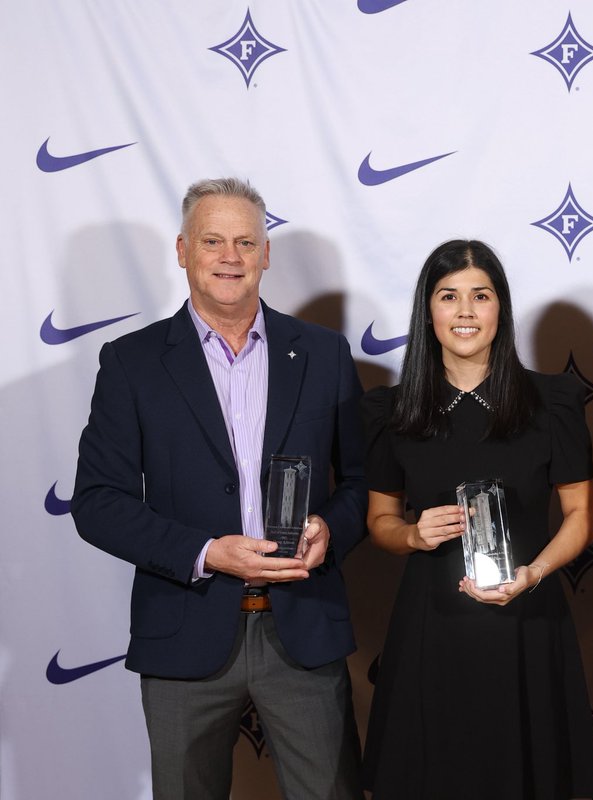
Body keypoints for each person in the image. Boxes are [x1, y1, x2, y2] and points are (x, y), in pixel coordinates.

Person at [71, 178, 367, 799]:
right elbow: (98, 503)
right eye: (213, 241)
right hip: (183, 632)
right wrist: (206, 552)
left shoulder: (323, 353)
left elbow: (362, 484)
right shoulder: (131, 362)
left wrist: (329, 529)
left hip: (303, 632)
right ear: (183, 250)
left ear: (266, 253)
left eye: (244, 241)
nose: (230, 256)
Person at [359, 239, 593, 799]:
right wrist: (414, 535)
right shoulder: (391, 413)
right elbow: (380, 523)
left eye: (481, 296)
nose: (465, 311)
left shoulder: (553, 402)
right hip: (430, 628)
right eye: (449, 296)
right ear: (428, 311)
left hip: (528, 621)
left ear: (502, 309)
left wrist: (535, 573)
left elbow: (581, 517)